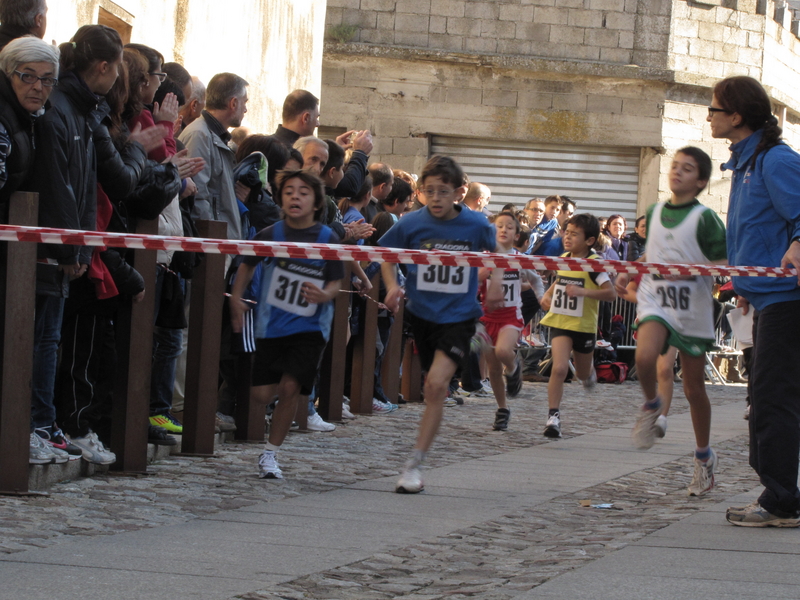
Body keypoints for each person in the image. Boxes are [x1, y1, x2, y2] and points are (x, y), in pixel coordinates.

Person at [27, 24, 125, 464]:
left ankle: (43, 423)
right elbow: (57, 185)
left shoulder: (83, 110)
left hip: (69, 247)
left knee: (50, 341)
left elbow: (85, 190)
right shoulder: (62, 109)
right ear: (103, 66)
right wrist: (70, 248)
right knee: (43, 341)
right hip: (50, 251)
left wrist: (82, 247)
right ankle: (36, 424)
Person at [379, 155, 505, 494]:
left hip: (459, 315)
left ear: (459, 193)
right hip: (422, 314)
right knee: (428, 386)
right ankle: (478, 342)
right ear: (420, 192)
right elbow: (386, 254)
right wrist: (392, 286)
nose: (435, 198)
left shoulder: (477, 225)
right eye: (429, 191)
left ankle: (415, 464)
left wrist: (494, 282)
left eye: (443, 191)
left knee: (435, 387)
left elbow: (499, 255)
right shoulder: (411, 224)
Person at [707, 76, 800, 527]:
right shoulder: (746, 163)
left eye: (713, 109)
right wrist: (747, 284)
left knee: (772, 398)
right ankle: (777, 491)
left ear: (736, 116)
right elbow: (755, 231)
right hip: (767, 298)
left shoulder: (775, 161)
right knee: (763, 397)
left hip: (789, 300)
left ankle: (782, 500)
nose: (708, 116)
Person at [619, 147, 726, 496]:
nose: (677, 172)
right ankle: (652, 406)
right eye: (675, 166)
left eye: (688, 168)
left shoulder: (705, 219)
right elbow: (655, 252)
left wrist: (692, 274)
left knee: (694, 388)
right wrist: (633, 272)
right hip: (656, 298)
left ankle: (703, 457)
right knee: (644, 357)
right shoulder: (654, 211)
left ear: (701, 181)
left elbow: (723, 264)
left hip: (691, 305)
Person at [228, 170, 344, 479]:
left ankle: (270, 455)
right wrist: (236, 298)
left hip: (310, 327)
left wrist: (323, 294)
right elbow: (246, 266)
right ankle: (278, 406)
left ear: (316, 202)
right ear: (281, 198)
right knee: (262, 395)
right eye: (289, 191)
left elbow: (335, 281)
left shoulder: (327, 238)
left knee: (291, 387)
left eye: (303, 192)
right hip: (271, 326)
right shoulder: (269, 235)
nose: (295, 196)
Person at [538, 213, 616, 438]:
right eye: (566, 232)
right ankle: (553, 416)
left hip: (584, 325)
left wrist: (583, 292)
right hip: (561, 320)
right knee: (560, 367)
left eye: (574, 234)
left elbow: (610, 293)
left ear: (590, 240)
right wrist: (548, 295)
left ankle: (588, 372)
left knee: (581, 373)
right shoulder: (563, 257)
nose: (567, 237)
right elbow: (561, 280)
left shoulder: (594, 264)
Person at [178, 72, 248, 240]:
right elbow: (198, 195)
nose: (245, 109)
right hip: (211, 244)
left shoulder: (213, 136)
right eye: (245, 103)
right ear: (234, 103)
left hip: (220, 243)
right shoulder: (199, 135)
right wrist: (209, 244)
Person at [474, 212, 526, 431]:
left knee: (503, 352)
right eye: (499, 226)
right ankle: (502, 409)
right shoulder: (483, 257)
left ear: (516, 235)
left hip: (511, 317)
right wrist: (483, 274)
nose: (504, 230)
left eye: (509, 227)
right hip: (488, 317)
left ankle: (514, 368)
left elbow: (533, 280)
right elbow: (471, 281)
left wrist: (541, 294)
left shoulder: (521, 259)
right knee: (493, 369)